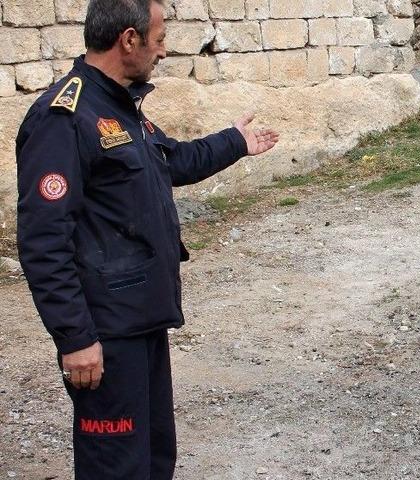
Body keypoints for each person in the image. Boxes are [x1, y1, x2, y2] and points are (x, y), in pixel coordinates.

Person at [15, 0, 278, 477]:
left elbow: (170, 160)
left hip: (143, 318)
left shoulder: (120, 106)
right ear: (129, 39)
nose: (164, 51)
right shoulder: (64, 117)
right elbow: (42, 240)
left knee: (154, 456)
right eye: (158, 39)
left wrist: (235, 142)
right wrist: (75, 338)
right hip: (107, 331)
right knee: (116, 466)